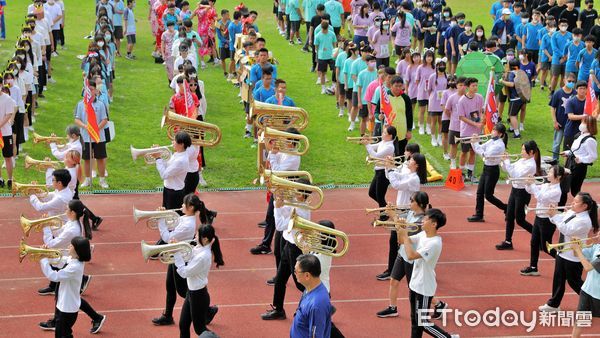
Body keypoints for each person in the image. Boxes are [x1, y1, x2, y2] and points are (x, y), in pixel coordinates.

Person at [396, 208, 458, 338]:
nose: (422, 221)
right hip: (415, 283)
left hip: (424, 287)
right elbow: (402, 241)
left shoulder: (434, 243)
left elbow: (411, 255)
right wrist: (399, 228)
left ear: (434, 224)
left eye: (425, 219)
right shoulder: (423, 235)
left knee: (422, 322)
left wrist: (404, 233)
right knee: (415, 321)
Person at [153, 193, 209, 326]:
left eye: (184, 204)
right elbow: (172, 227)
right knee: (170, 287)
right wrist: (164, 216)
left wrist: (161, 220)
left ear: (190, 207)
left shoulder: (188, 225)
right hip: (176, 255)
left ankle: (207, 310)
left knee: (183, 291)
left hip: (181, 258)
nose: (181, 205)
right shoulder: (185, 217)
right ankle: (167, 315)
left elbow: (167, 238)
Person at [261, 179, 313, 320]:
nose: (292, 191)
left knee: (300, 284)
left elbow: (280, 225)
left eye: (295, 190)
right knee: (280, 279)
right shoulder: (297, 203)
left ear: (302, 194)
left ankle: (322, 302)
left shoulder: (302, 211)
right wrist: (278, 198)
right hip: (288, 244)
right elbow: (286, 211)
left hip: (295, 248)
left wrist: (277, 207)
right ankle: (278, 309)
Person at [540, 192, 599, 312]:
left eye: (576, 202)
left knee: (574, 282)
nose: (572, 203)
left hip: (573, 256)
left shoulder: (584, 221)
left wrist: (555, 216)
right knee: (558, 279)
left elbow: (566, 230)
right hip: (563, 252)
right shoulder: (573, 212)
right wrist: (553, 214)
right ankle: (553, 305)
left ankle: (593, 303)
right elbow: (559, 221)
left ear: (584, 206)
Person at [376, 190, 429, 318]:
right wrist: (391, 210)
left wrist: (394, 217)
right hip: (402, 253)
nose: (409, 202)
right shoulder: (410, 212)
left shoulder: (421, 222)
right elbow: (399, 231)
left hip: (412, 257)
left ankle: (438, 304)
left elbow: (402, 237)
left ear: (420, 204)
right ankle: (392, 308)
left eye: (412, 201)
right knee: (394, 280)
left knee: (414, 289)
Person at [250, 126, 301, 256]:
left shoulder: (294, 156)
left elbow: (277, 171)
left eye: (285, 139)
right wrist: (270, 147)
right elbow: (273, 162)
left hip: (286, 190)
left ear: (291, 141)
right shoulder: (286, 150)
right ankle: (266, 244)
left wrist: (272, 154)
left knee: (280, 217)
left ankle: (274, 245)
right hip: (280, 187)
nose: (282, 141)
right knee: (271, 216)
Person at [174, 223, 224, 338]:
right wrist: (178, 248)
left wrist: (176, 254)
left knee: (200, 330)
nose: (195, 236)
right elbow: (189, 257)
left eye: (197, 234)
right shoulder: (199, 247)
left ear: (205, 239)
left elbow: (184, 272)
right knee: (183, 324)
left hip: (198, 296)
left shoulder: (203, 256)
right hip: (191, 293)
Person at [40, 237, 92, 338]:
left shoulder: (75, 267)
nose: (68, 246)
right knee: (62, 335)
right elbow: (60, 261)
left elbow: (54, 276)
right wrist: (47, 254)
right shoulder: (73, 259)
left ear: (77, 251)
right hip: (63, 305)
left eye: (71, 245)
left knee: (62, 335)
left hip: (67, 309)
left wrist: (43, 259)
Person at [520, 165, 566, 276]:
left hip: (547, 220)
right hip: (538, 217)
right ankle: (533, 267)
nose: (548, 174)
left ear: (558, 176)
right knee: (534, 243)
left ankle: (563, 262)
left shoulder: (557, 191)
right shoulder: (546, 185)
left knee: (545, 247)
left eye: (550, 172)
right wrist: (528, 183)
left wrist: (532, 184)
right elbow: (531, 190)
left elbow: (541, 197)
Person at [496, 140, 541, 250]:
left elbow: (515, 175)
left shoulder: (531, 165)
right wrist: (503, 161)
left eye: (523, 150)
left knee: (520, 220)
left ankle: (539, 237)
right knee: (510, 216)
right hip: (515, 190)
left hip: (523, 193)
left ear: (530, 152)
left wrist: (507, 162)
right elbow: (508, 169)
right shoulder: (522, 160)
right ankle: (508, 241)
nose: (521, 152)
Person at [467, 123, 508, 222]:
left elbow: (485, 155)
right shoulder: (491, 141)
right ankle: (479, 214)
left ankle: (506, 208)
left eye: (495, 131)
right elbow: (481, 148)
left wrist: (475, 143)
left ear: (500, 134)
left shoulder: (499, 145)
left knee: (488, 196)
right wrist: (474, 142)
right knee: (479, 192)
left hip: (493, 171)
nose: (492, 132)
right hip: (486, 169)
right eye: (493, 130)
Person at [74, 80, 109, 189]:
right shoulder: (80, 104)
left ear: (95, 91)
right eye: (87, 90)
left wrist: (96, 129)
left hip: (99, 137)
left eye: (91, 89)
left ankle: (102, 180)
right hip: (85, 137)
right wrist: (85, 127)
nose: (89, 91)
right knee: (87, 159)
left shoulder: (100, 104)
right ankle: (88, 179)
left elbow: (105, 119)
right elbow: (77, 119)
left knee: (100, 158)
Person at [290, 254, 332, 338]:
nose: (294, 274)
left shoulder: (317, 304)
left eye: (296, 271)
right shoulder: (309, 288)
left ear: (307, 275)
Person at [571, 235, 600, 337]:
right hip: (587, 290)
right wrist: (577, 246)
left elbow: (588, 267)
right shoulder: (597, 247)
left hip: (598, 296)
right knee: (579, 321)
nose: (598, 233)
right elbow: (576, 254)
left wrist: (578, 250)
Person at [154, 131, 191, 211]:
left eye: (174, 140)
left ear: (181, 144)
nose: (172, 142)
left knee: (171, 218)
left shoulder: (180, 161)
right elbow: (167, 167)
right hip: (169, 190)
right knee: (166, 214)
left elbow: (164, 175)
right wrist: (160, 155)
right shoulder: (178, 154)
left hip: (174, 194)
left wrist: (158, 158)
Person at [561, 115, 597, 196]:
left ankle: (587, 205)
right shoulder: (580, 135)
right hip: (570, 163)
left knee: (575, 190)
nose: (581, 124)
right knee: (563, 187)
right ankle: (561, 208)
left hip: (578, 167)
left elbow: (593, 156)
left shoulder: (590, 140)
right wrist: (567, 153)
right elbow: (576, 151)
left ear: (589, 125)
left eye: (584, 122)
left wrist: (581, 159)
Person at [457, 77, 484, 182]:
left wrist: (481, 120)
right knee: (464, 152)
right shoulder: (462, 100)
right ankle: (461, 173)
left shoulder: (480, 97)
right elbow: (461, 117)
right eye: (473, 86)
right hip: (466, 131)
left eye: (476, 85)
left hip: (477, 130)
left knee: (473, 151)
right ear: (468, 87)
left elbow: (481, 111)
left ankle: (470, 173)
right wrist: (474, 124)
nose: (475, 87)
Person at [365, 126, 396, 212]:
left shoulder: (390, 146)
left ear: (390, 136)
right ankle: (388, 209)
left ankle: (384, 216)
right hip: (378, 171)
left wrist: (367, 144)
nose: (382, 134)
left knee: (380, 196)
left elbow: (375, 156)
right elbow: (373, 147)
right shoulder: (383, 142)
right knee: (371, 193)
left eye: (384, 133)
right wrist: (367, 142)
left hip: (383, 173)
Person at [550, 74, 576, 162]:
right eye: (569, 81)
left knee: (570, 144)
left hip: (571, 125)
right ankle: (555, 160)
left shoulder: (575, 93)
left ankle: (569, 161)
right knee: (557, 143)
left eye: (573, 82)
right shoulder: (558, 93)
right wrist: (555, 121)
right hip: (560, 123)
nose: (571, 83)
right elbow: (552, 107)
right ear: (564, 80)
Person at [0, 76, 16, 189]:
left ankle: (10, 179)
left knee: (8, 157)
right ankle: (0, 179)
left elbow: (8, 114)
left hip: (5, 133)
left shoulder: (7, 99)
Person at [563, 80, 588, 149]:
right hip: (571, 130)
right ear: (576, 89)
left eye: (584, 88)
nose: (582, 90)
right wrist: (583, 116)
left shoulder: (589, 102)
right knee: (567, 152)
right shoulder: (570, 101)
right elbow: (570, 116)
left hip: (585, 131)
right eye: (580, 88)